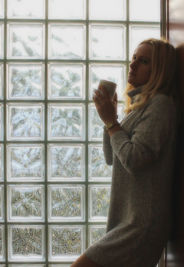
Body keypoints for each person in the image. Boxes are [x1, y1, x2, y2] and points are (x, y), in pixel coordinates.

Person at [70, 38, 178, 267]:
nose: (133, 64)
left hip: (141, 224)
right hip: (128, 220)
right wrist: (112, 117)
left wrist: (111, 121)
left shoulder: (161, 105)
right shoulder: (140, 107)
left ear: (159, 70)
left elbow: (133, 159)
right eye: (134, 58)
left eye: (144, 60)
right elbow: (113, 158)